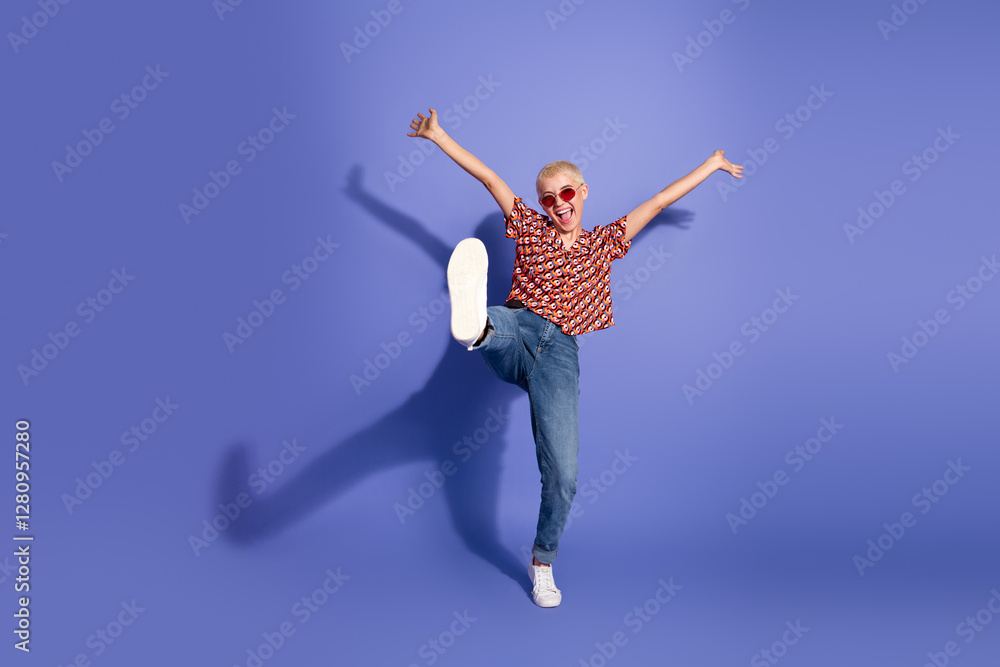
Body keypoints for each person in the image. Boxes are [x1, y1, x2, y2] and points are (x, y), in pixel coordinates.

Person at [407, 108, 743, 607]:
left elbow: (656, 202)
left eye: (566, 193)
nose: (558, 204)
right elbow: (489, 177)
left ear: (582, 192)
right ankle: (476, 325)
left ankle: (541, 562)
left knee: (564, 475)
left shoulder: (604, 242)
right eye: (548, 198)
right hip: (518, 326)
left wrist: (712, 164)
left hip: (560, 353)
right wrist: (437, 136)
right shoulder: (528, 227)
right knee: (499, 325)